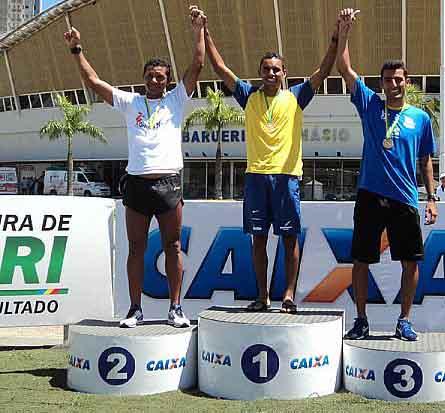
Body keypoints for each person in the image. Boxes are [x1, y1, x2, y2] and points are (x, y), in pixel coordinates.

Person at [64, 6, 207, 328]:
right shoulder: (130, 103)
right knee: (135, 249)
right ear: (144, 79)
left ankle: (175, 308)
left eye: (161, 77)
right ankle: (134, 309)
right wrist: (77, 49)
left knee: (172, 246)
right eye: (151, 76)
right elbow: (92, 80)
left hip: (169, 183)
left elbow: (198, 64)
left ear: (168, 81)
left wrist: (198, 29)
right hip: (137, 185)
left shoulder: (176, 100)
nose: (156, 80)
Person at [202, 12, 339, 314]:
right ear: (260, 72)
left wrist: (336, 37)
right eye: (266, 69)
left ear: (284, 73)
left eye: (276, 70)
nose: (271, 74)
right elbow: (220, 68)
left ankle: (288, 295)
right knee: (258, 240)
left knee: (289, 239)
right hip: (256, 178)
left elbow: (324, 70)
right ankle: (263, 297)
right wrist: (205, 31)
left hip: (287, 178)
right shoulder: (248, 95)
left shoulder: (296, 97)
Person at [336, 9, 437, 341]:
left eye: (399, 79)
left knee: (410, 262)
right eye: (388, 80)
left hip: (405, 198)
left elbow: (425, 161)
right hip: (369, 195)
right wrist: (345, 32)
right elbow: (345, 69)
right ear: (380, 83)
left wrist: (432, 197)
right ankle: (361, 320)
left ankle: (404, 320)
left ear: (407, 82)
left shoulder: (420, 118)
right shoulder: (370, 105)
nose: (393, 84)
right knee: (361, 261)